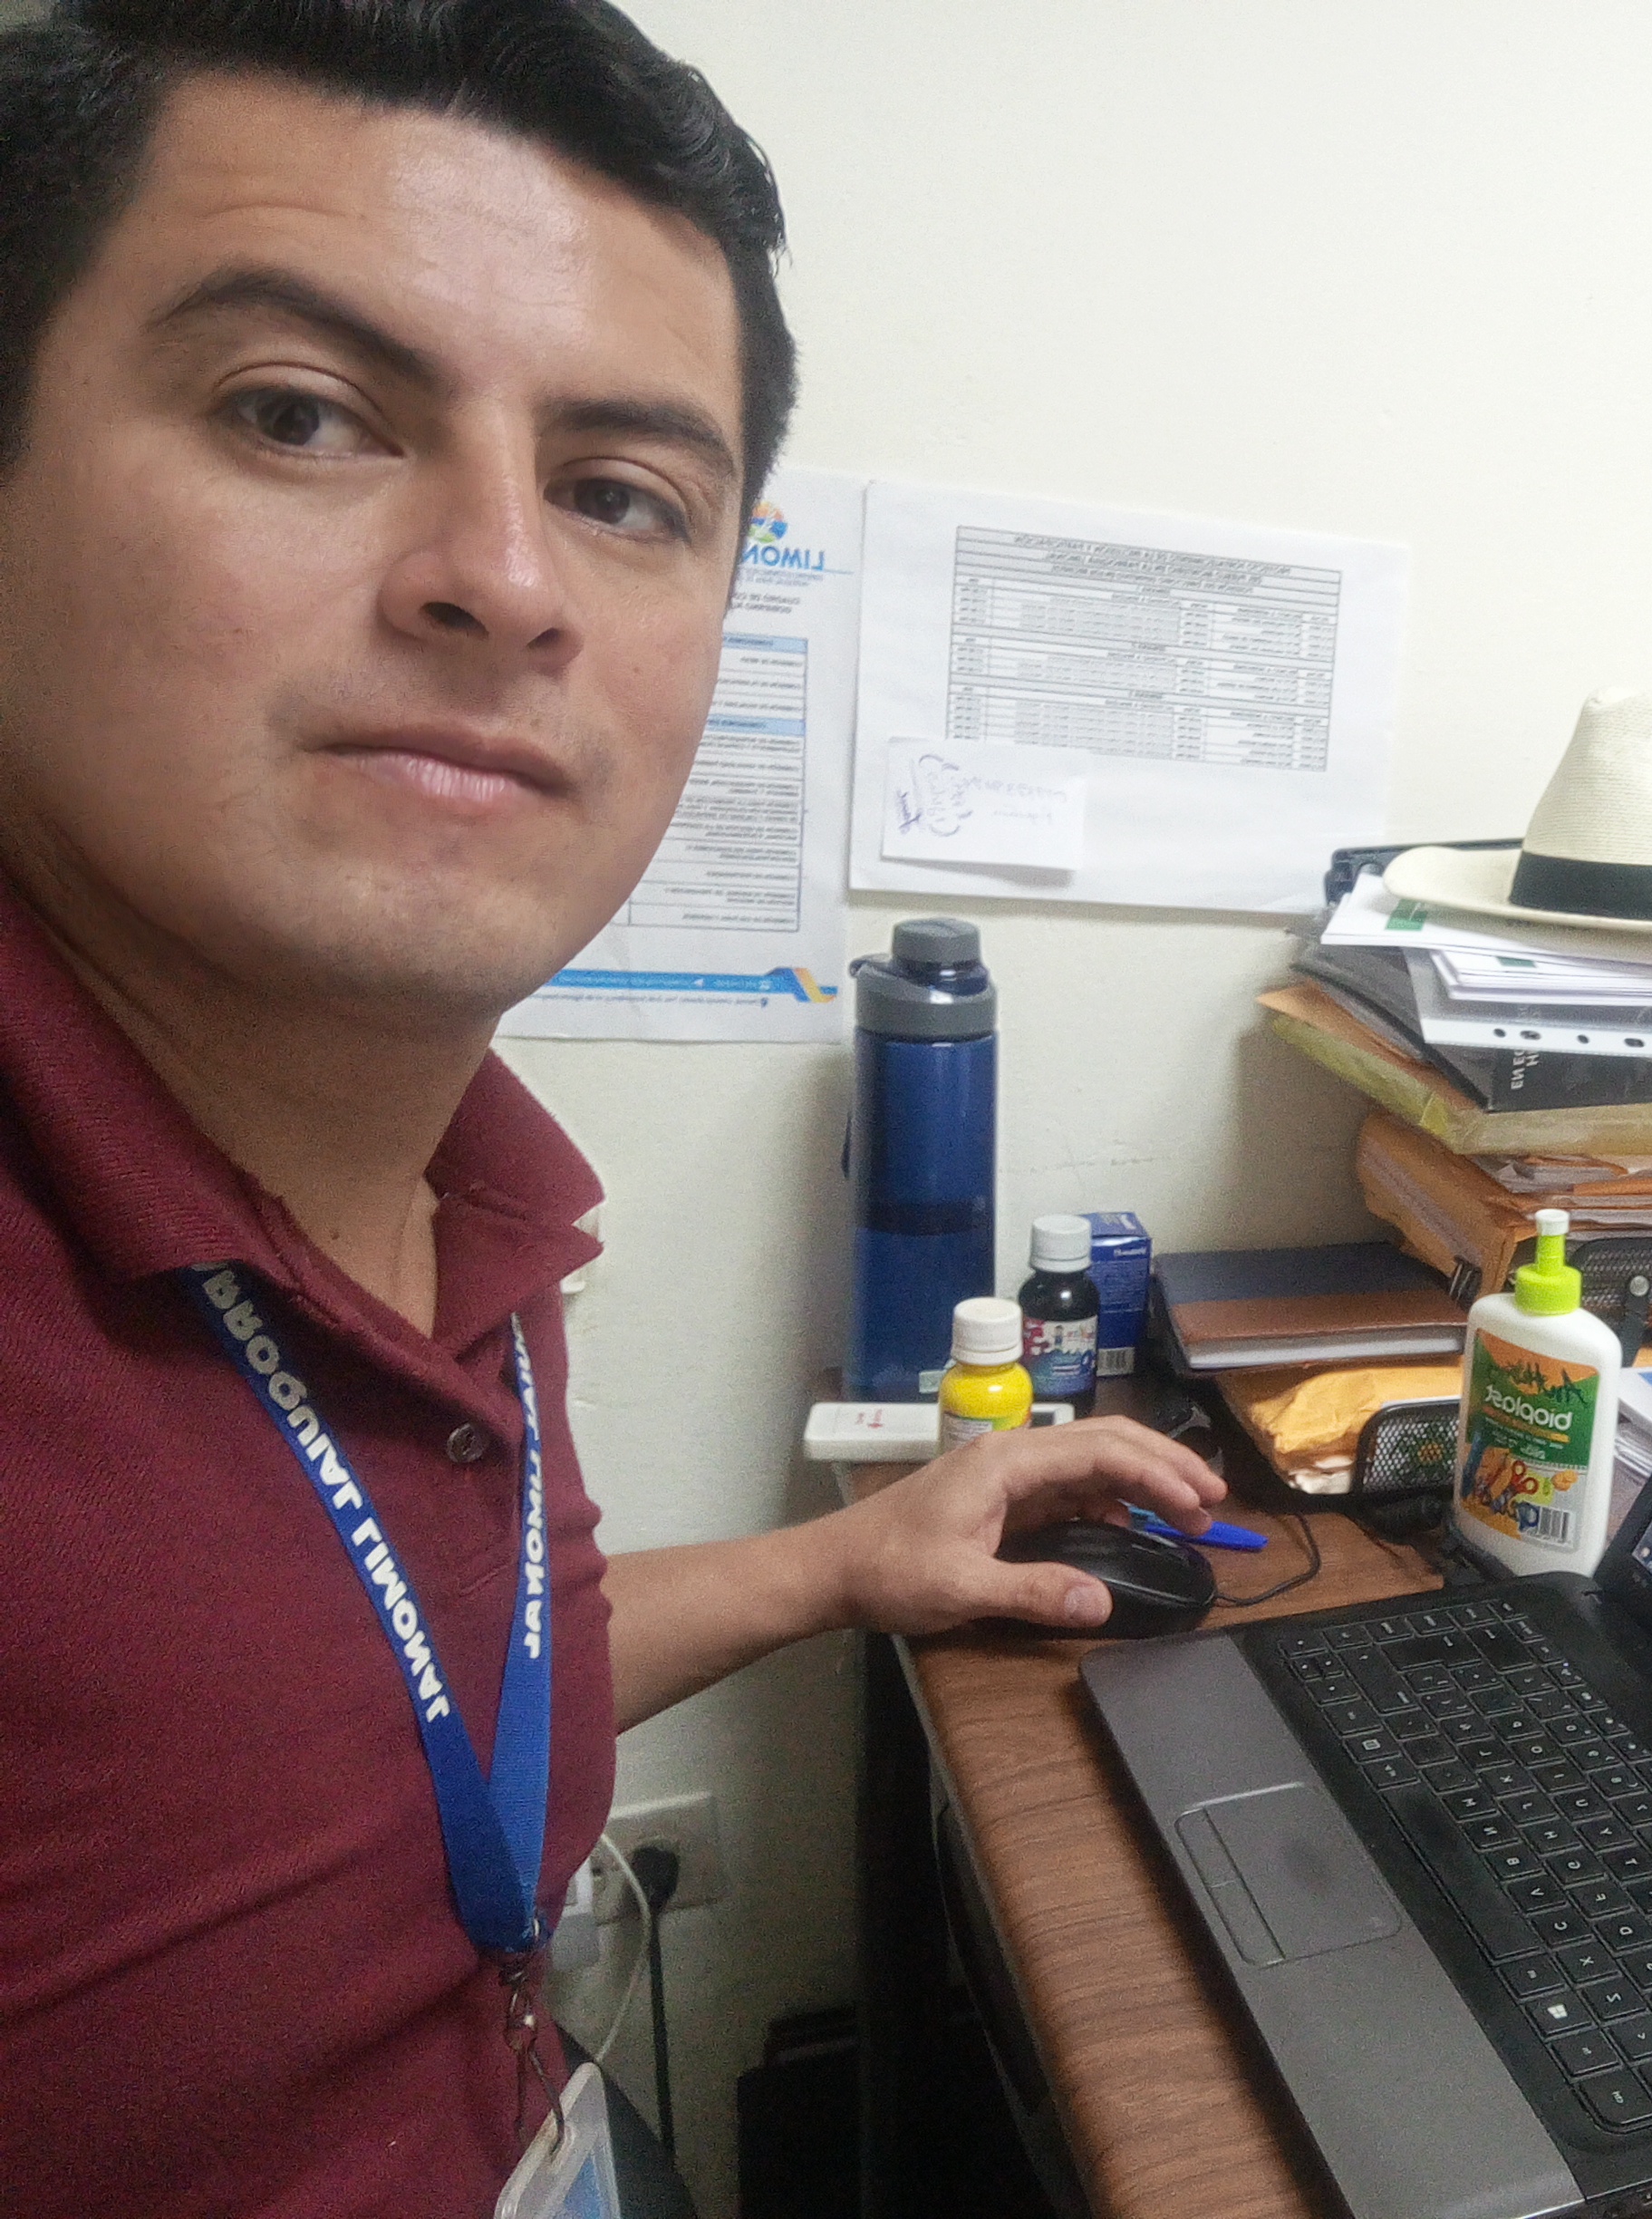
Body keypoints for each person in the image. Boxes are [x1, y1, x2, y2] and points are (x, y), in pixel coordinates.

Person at [0, 5, 1223, 2211]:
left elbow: (367, 1704)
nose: (508, 578)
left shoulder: (452, 1166)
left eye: (621, 495)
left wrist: (841, 1564)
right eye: (298, 412)